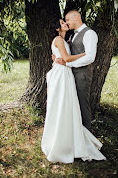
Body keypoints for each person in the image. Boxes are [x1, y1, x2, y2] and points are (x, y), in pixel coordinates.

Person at [41, 18, 106, 163]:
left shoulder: (65, 40)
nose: (66, 23)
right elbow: (66, 58)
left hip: (66, 73)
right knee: (61, 105)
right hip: (61, 74)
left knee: (68, 106)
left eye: (65, 21)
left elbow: (63, 55)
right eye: (63, 23)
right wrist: (84, 54)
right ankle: (60, 141)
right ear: (58, 28)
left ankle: (69, 138)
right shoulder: (58, 39)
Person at [54, 10, 98, 131]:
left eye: (68, 20)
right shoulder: (73, 35)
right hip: (70, 75)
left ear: (76, 18)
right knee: (74, 105)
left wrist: (68, 63)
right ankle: (77, 133)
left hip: (82, 75)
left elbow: (90, 57)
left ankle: (87, 136)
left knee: (83, 104)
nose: (67, 23)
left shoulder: (89, 34)